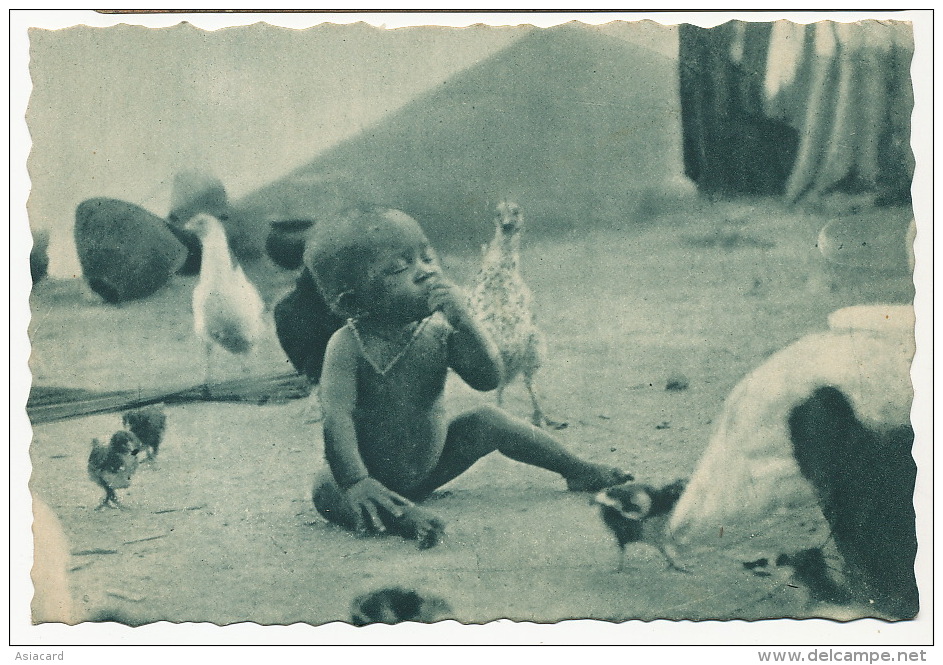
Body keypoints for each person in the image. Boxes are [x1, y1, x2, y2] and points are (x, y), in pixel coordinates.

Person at [309, 207, 631, 547]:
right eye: (400, 268)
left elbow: (489, 379)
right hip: (366, 476)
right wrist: (357, 480)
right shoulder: (346, 345)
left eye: (426, 257)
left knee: (486, 420)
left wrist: (467, 323)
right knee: (326, 490)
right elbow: (336, 415)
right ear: (352, 302)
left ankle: (576, 469)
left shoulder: (438, 333)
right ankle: (403, 519)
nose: (425, 272)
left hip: (433, 466)